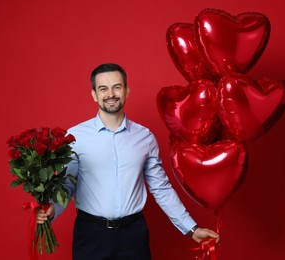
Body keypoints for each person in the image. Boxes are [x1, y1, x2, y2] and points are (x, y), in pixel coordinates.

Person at [37, 63, 219, 259]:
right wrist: (51, 210)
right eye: (103, 88)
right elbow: (66, 186)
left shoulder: (145, 137)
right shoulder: (74, 137)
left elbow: (161, 189)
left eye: (117, 87)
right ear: (94, 95)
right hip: (91, 236)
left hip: (133, 236)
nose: (110, 94)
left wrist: (191, 229)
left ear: (126, 91)